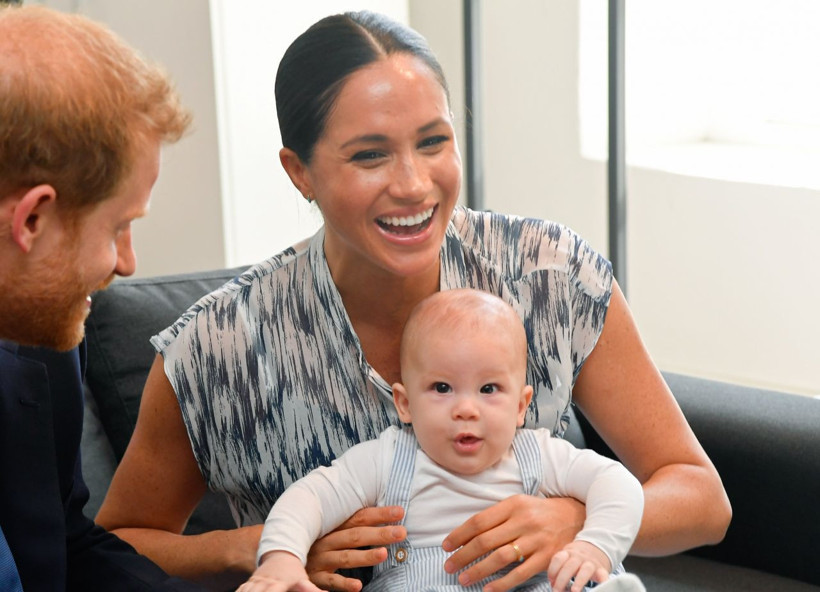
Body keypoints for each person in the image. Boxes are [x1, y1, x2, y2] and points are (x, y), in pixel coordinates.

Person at [96, 10, 731, 592]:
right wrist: (261, 548)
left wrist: (573, 519)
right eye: (370, 155)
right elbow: (111, 547)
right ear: (300, 172)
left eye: (433, 142)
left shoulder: (551, 273)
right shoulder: (219, 346)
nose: (413, 184)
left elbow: (702, 500)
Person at [240, 289, 646, 592]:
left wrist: (596, 547)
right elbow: (308, 497)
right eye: (441, 387)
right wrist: (281, 558)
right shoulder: (386, 459)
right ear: (405, 403)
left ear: (521, 407)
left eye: (489, 389)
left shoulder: (537, 454)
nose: (466, 409)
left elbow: (617, 484)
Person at [0, 5, 203, 591]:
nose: (127, 262)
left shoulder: (43, 338)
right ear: (33, 217)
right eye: (118, 225)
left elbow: (68, 540)